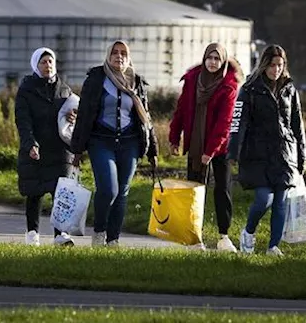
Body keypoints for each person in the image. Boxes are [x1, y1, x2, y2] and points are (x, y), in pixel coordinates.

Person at [70, 40, 158, 247]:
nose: (119, 57)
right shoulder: (96, 78)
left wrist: (153, 149)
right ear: (108, 56)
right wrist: (77, 149)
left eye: (123, 53)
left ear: (129, 57)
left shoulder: (136, 82)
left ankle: (113, 239)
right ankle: (99, 232)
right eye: (115, 53)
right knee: (108, 189)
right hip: (101, 141)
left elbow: (146, 117)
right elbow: (84, 114)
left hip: (130, 143)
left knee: (123, 191)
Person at [228, 44, 306, 257]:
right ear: (264, 65)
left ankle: (273, 246)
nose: (276, 69)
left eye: (280, 65)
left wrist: (302, 155)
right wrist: (233, 150)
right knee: (264, 199)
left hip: (284, 153)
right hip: (257, 153)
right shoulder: (249, 89)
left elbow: (297, 124)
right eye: (272, 65)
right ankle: (248, 233)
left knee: (280, 201)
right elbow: (238, 122)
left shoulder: (289, 89)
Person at [169, 42, 244, 251]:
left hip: (220, 148)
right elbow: (181, 110)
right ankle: (194, 236)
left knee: (222, 189)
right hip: (195, 144)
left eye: (217, 59)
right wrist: (174, 138)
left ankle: (224, 237)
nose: (212, 62)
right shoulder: (193, 80)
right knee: (194, 189)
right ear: (204, 59)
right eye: (209, 58)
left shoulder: (228, 85)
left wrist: (210, 151)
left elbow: (225, 122)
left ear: (223, 62)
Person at [15, 47, 76, 246]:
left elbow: (72, 117)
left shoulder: (65, 89)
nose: (48, 65)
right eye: (43, 62)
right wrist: (30, 144)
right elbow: (23, 120)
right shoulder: (26, 90)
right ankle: (32, 232)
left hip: (59, 149)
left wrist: (73, 117)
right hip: (36, 147)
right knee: (35, 190)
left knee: (61, 192)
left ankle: (61, 234)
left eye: (50, 61)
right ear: (35, 65)